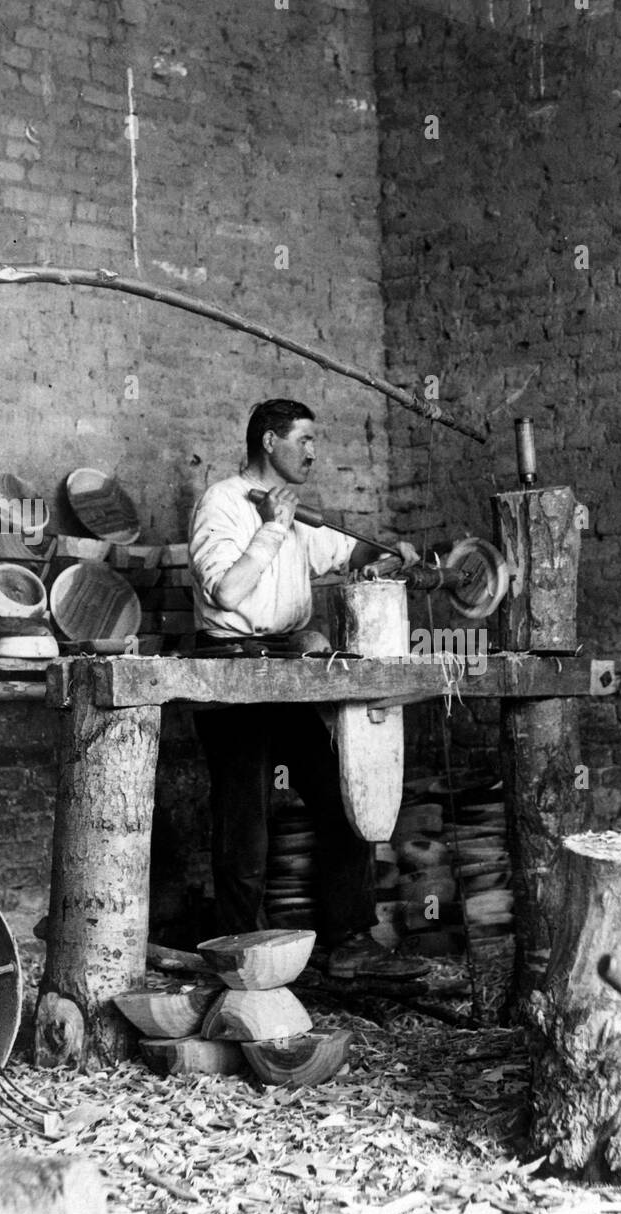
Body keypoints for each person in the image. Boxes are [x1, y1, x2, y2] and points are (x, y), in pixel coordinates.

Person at [189, 398, 428, 984]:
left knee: (341, 798)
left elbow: (350, 552)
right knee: (244, 825)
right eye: (304, 439)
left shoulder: (297, 514)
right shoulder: (221, 503)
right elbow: (227, 591)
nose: (314, 451)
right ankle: (242, 956)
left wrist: (390, 551)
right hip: (234, 677)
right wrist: (272, 526)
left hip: (288, 674)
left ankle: (350, 940)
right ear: (269, 442)